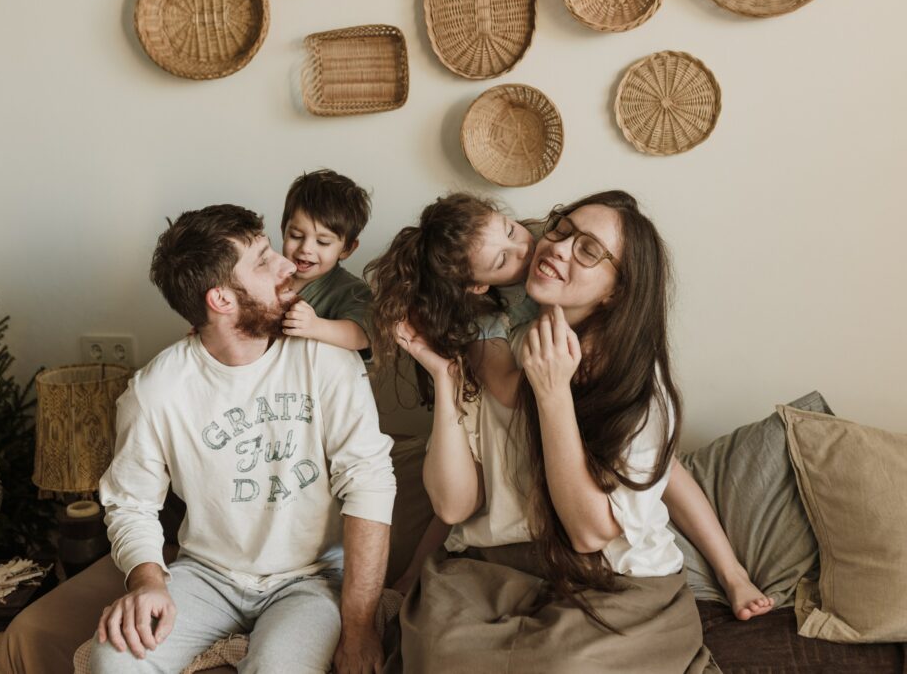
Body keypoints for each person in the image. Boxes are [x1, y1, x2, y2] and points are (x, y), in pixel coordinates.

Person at [370, 192, 774, 621]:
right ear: (479, 285)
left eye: (587, 250)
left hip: (603, 570)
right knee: (431, 636)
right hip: (501, 568)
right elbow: (460, 499)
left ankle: (732, 571)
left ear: (617, 291)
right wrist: (445, 374)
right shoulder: (490, 340)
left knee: (662, 465)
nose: (551, 248)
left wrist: (556, 389)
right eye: (562, 231)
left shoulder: (629, 376)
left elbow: (593, 530)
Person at [89, 203, 396, 674]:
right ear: (221, 300)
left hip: (312, 580)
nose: (288, 265)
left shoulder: (327, 359)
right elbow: (131, 503)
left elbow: (369, 484)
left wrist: (359, 627)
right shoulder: (155, 391)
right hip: (206, 576)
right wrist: (147, 581)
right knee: (112, 662)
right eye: (263, 260)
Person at [280, 169, 374, 356]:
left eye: (322, 242)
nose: (306, 248)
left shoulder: (352, 291)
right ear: (284, 229)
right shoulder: (269, 272)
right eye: (296, 235)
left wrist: (315, 326)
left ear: (347, 249)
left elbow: (362, 336)